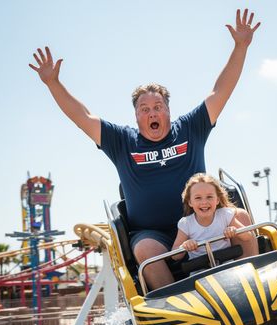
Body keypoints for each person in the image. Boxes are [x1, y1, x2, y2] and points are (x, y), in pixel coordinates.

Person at [29, 9, 260, 290]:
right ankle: (177, 313)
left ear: (168, 111)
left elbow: (220, 92)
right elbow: (83, 117)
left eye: (158, 107)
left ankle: (255, 287)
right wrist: (53, 83)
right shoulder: (121, 140)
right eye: (145, 109)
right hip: (155, 233)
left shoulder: (190, 127)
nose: (152, 113)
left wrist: (240, 47)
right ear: (137, 116)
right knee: (145, 251)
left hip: (203, 219)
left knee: (243, 219)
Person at [172, 173, 252, 273]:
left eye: (209, 197)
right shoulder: (186, 223)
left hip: (228, 269)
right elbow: (175, 255)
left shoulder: (225, 214)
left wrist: (234, 230)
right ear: (190, 202)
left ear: (217, 200)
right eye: (198, 198)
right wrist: (184, 246)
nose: (204, 202)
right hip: (199, 273)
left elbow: (248, 236)